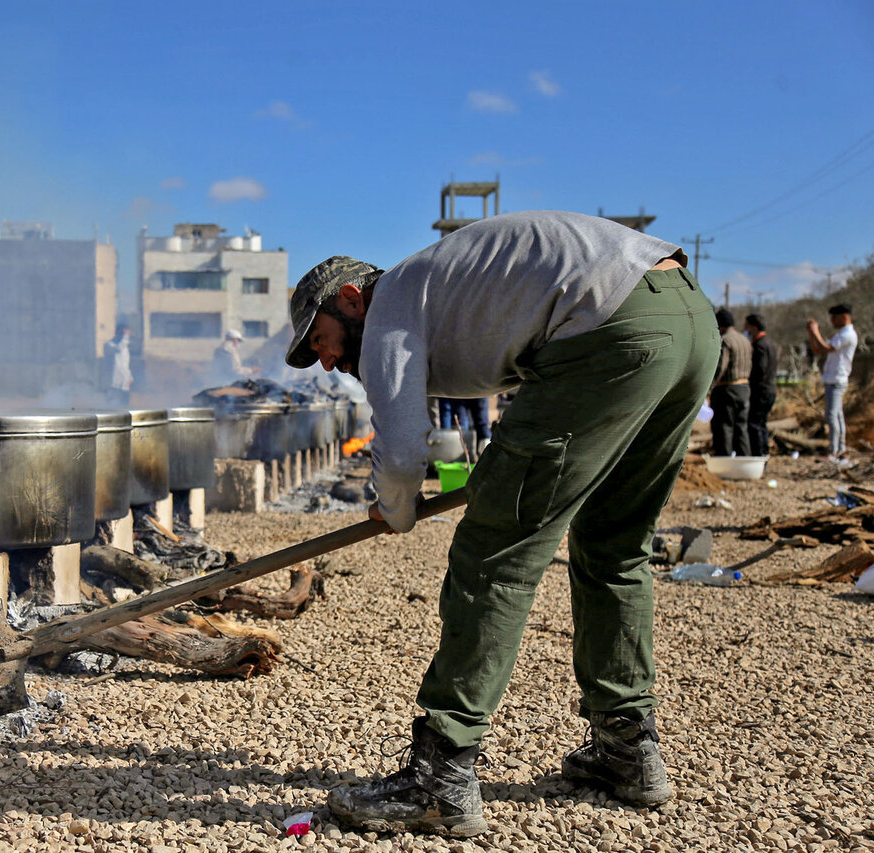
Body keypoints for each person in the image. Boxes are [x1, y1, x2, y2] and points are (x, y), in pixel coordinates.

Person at [285, 211, 718, 837]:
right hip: (686, 318)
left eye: (318, 340)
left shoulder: (389, 305)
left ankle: (440, 778)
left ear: (351, 299)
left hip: (609, 328)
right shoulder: (443, 287)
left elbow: (405, 452)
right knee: (614, 544)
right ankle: (628, 750)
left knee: (495, 551)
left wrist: (395, 506)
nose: (323, 362)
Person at [806, 304, 858, 459]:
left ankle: (835, 449)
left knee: (832, 415)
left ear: (844, 317)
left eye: (834, 317)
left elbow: (826, 347)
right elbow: (818, 350)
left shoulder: (848, 334)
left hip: (837, 379)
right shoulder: (841, 334)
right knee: (837, 415)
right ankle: (840, 449)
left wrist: (816, 331)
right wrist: (811, 334)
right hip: (832, 379)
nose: (832, 321)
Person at [709, 308, 753, 457]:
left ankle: (724, 457)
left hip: (727, 389)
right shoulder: (745, 340)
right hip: (744, 387)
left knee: (725, 426)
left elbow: (721, 367)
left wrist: (709, 387)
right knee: (741, 426)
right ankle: (744, 458)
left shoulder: (725, 340)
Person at [743, 314, 778, 456]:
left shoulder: (760, 345)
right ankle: (764, 454)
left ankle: (759, 455)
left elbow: (760, 369)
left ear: (754, 328)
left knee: (755, 425)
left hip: (761, 391)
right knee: (761, 424)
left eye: (747, 326)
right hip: (770, 389)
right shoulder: (770, 343)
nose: (745, 329)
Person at [103, 323, 132, 406]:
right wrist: (125, 337)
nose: (124, 335)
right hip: (113, 381)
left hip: (124, 381)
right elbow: (118, 348)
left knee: (125, 406)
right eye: (123, 333)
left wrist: (130, 377)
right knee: (112, 404)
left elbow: (126, 364)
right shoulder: (109, 344)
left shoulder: (125, 347)